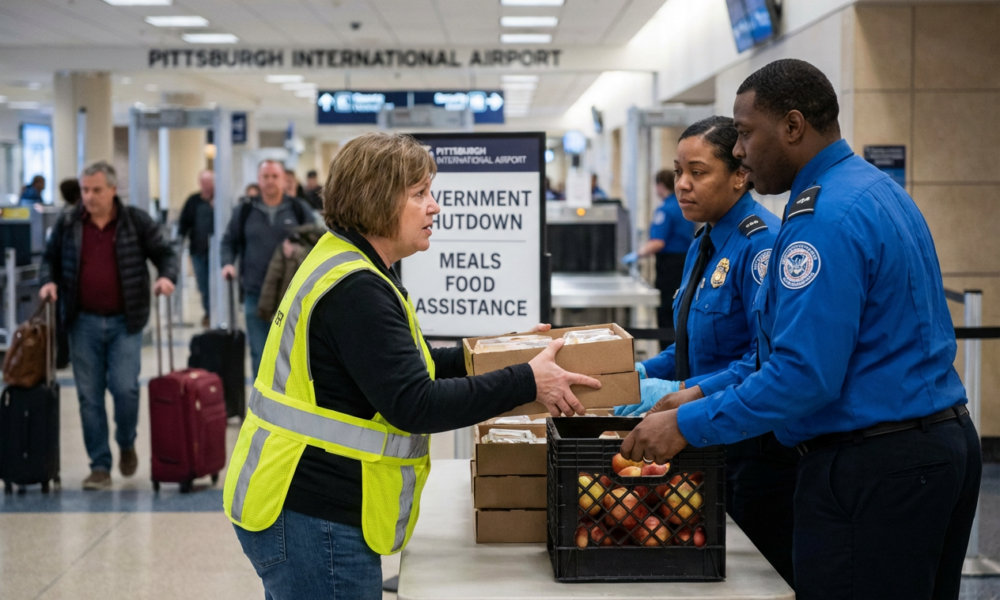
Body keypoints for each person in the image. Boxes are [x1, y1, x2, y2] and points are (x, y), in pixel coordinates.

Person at [621, 59, 981, 599]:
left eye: (744, 134)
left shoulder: (823, 219)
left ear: (792, 127)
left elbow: (801, 374)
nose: (739, 150)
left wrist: (688, 423)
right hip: (929, 450)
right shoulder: (871, 190)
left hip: (875, 465)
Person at [224, 132, 601, 599]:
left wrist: (502, 353)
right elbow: (414, 403)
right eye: (420, 194)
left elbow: (407, 364)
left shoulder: (351, 263)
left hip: (305, 502)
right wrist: (526, 381)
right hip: (313, 514)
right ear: (377, 199)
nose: (435, 206)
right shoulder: (356, 289)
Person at [615, 116, 796, 585]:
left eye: (698, 172)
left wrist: (683, 389)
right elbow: (691, 344)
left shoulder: (763, 246)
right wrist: (630, 375)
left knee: (755, 578)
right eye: (677, 172)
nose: (682, 185)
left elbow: (764, 359)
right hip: (698, 437)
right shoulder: (704, 240)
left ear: (740, 175)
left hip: (751, 447)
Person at [39, 161, 178, 490]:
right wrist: (48, 282)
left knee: (125, 389)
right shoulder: (69, 222)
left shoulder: (134, 221)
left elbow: (165, 253)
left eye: (96, 190)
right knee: (89, 397)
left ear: (113, 190)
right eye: (85, 190)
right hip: (82, 321)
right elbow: (49, 259)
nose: (88, 196)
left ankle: (126, 442)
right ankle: (99, 464)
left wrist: (167, 277)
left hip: (125, 321)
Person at [221, 160, 315, 378]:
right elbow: (229, 241)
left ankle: (286, 406)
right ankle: (260, 408)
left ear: (283, 179)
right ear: (258, 180)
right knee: (260, 353)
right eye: (265, 177)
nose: (270, 181)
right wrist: (227, 263)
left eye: (275, 176)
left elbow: (317, 241)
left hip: (291, 295)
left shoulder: (298, 209)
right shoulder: (245, 210)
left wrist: (299, 249)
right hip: (255, 293)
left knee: (292, 355)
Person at [621, 170, 694, 328]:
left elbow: (658, 242)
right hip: (686, 262)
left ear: (660, 186)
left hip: (670, 266)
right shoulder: (683, 205)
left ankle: (668, 349)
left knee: (666, 312)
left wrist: (637, 254)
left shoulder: (665, 210)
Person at [255, 222, 327, 322]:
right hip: (318, 315)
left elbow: (272, 280)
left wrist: (265, 311)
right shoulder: (329, 251)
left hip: (288, 311)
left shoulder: (288, 248)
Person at [178, 169, 215, 327]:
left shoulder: (219, 201)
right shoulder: (193, 201)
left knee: (216, 285)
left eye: (209, 183)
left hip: (216, 254)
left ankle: (217, 312)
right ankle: (208, 312)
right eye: (203, 183)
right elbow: (184, 223)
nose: (206, 186)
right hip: (198, 252)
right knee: (203, 285)